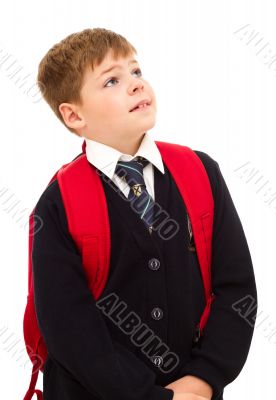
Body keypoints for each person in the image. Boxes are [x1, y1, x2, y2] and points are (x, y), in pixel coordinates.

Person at [32, 27, 258, 400]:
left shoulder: (201, 173)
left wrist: (203, 378)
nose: (136, 85)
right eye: (111, 81)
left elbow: (236, 288)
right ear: (74, 116)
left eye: (136, 72)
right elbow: (67, 325)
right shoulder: (59, 203)